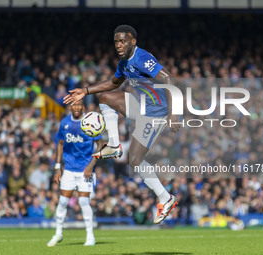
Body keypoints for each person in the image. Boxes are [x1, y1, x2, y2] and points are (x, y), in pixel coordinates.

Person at [63, 25, 181, 224]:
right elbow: (114, 83)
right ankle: (114, 145)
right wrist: (86, 90)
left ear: (133, 41)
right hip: (142, 107)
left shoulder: (141, 57)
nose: (118, 45)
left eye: (123, 41)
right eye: (116, 41)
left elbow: (168, 78)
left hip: (156, 113)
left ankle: (165, 197)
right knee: (105, 98)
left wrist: (174, 112)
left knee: (134, 160)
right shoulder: (124, 62)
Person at [47, 100, 103, 247]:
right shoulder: (65, 123)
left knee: (84, 201)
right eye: (74, 105)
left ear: (83, 107)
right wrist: (58, 167)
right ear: (70, 107)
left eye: (79, 105)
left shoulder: (90, 121)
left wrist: (91, 165)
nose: (77, 107)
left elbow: (100, 144)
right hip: (70, 169)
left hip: (85, 169)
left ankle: (90, 237)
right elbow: (60, 144)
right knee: (63, 201)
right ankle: (58, 233)